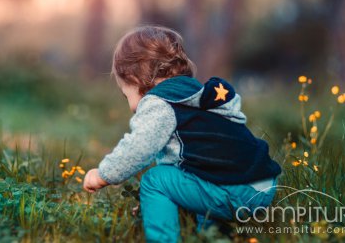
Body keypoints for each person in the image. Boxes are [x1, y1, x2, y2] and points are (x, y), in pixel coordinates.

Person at [83, 25, 281, 242]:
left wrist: (104, 174)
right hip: (262, 185)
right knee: (195, 170)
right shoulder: (201, 95)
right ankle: (212, 234)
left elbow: (139, 147)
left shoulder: (159, 103)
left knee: (155, 181)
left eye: (126, 95)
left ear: (134, 79)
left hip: (236, 192)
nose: (131, 106)